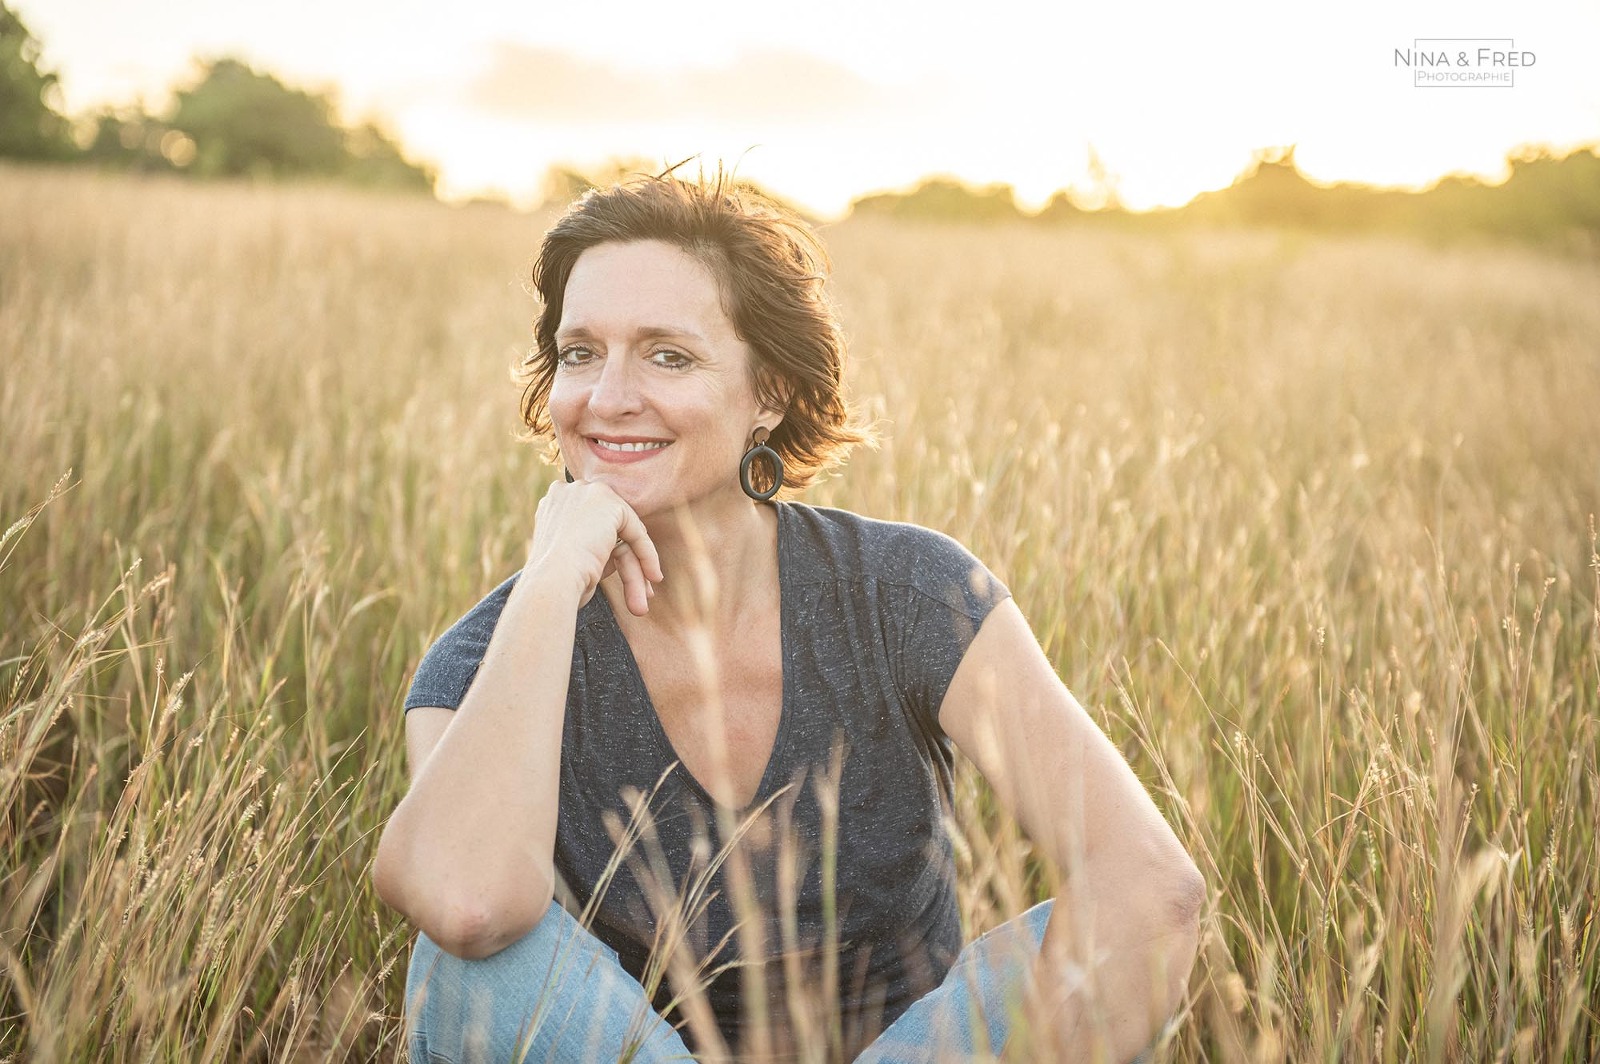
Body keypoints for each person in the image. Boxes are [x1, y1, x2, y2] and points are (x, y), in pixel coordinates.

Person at [372, 172, 1205, 1063]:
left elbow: (1153, 884)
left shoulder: (905, 592)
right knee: (473, 968)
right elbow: (466, 907)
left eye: (668, 356)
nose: (606, 397)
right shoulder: (481, 662)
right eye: (580, 353)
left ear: (767, 392)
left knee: (1120, 915)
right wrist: (547, 583)